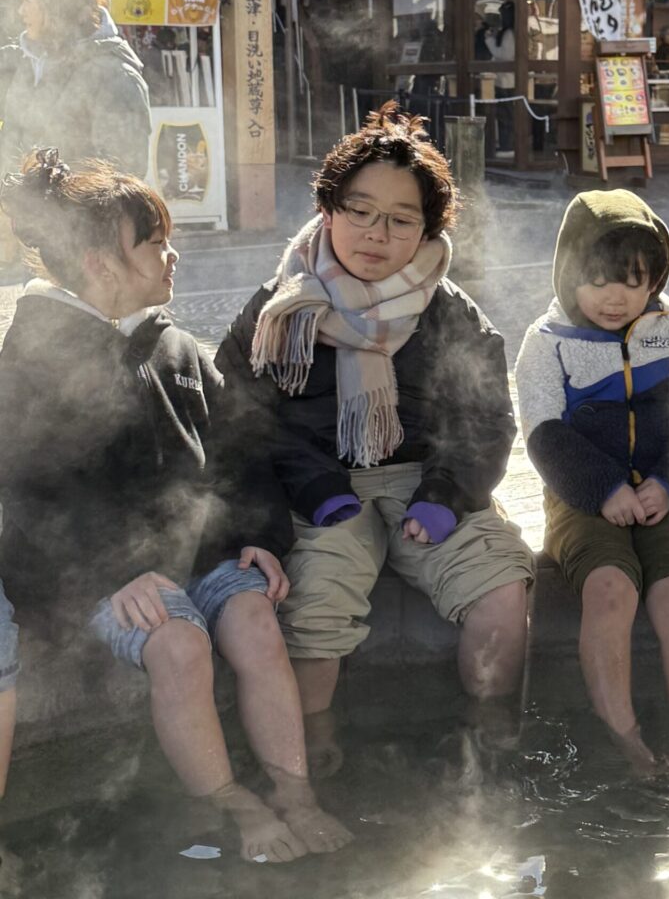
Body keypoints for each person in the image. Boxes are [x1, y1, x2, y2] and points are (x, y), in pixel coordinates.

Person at [0, 149, 351, 860]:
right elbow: (27, 498)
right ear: (100, 264)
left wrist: (259, 536)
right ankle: (231, 803)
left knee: (256, 621)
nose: (173, 255)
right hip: (102, 576)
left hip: (197, 553)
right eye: (155, 243)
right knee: (181, 645)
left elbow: (238, 452)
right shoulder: (32, 360)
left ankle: (295, 790)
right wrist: (109, 574)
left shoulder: (174, 345)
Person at [215, 102, 534, 771]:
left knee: (503, 587)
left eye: (400, 219)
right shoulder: (280, 309)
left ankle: (489, 738)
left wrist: (446, 494)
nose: (376, 233)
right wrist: (314, 487)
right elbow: (243, 422)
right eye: (359, 210)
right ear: (327, 208)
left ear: (427, 231)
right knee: (312, 605)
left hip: (430, 483)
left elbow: (483, 418)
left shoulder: (448, 311)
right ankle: (315, 752)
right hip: (319, 486)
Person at [515, 189, 669, 772]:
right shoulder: (548, 341)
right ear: (568, 274)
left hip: (667, 494)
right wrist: (603, 488)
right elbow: (542, 431)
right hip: (581, 500)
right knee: (611, 591)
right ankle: (627, 739)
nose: (616, 297)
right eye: (599, 280)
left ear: (654, 278)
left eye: (633, 281)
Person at [0, 0, 152, 273]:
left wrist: (60, 211)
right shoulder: (31, 62)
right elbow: (17, 135)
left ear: (54, 6)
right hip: (34, 235)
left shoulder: (112, 73)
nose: (21, 11)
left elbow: (123, 170)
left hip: (84, 248)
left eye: (28, 0)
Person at [485, 0, 515, 156]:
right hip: (505, 79)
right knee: (505, 114)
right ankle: (505, 145)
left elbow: (505, 55)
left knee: (505, 115)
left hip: (506, 80)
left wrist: (489, 40)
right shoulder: (510, 32)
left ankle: (507, 146)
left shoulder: (509, 33)